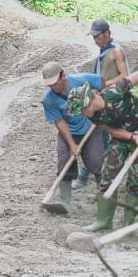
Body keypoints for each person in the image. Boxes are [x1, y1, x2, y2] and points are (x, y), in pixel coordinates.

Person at [67, 71, 138, 232]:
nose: (80, 114)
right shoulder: (94, 115)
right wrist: (132, 137)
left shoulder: (116, 91)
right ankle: (103, 221)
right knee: (108, 174)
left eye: (81, 110)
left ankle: (127, 225)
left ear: (88, 103)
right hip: (122, 136)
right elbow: (112, 130)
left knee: (137, 177)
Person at [41, 61, 104, 208]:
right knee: (64, 165)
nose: (53, 87)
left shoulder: (81, 80)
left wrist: (101, 97)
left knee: (96, 162)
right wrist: (71, 144)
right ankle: (65, 203)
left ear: (63, 75)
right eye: (49, 84)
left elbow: (102, 82)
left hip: (91, 127)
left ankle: (104, 197)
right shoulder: (48, 99)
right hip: (68, 132)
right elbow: (59, 122)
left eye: (55, 83)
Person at [74, 18, 129, 190]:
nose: (95, 40)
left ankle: (86, 175)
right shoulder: (102, 52)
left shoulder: (115, 51)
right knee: (101, 139)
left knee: (103, 139)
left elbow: (125, 76)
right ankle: (90, 174)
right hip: (101, 100)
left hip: (114, 102)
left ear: (107, 33)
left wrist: (104, 86)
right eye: (94, 37)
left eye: (98, 36)